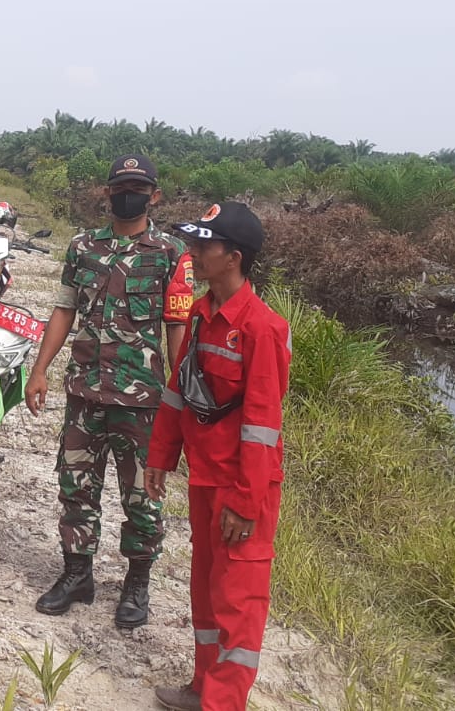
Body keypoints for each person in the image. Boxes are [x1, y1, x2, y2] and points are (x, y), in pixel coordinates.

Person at [23, 153, 194, 630]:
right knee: (76, 489)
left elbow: (177, 327)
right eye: (120, 185)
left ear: (154, 195)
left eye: (138, 186)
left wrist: (180, 401)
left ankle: (136, 585)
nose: (128, 193)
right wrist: (40, 371)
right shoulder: (83, 246)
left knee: (142, 497)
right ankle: (77, 575)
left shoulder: (171, 253)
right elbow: (63, 311)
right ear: (106, 192)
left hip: (142, 404)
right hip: (84, 395)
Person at [145, 202, 289, 711]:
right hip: (205, 479)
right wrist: (160, 457)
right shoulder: (202, 315)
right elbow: (177, 393)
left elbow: (261, 426)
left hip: (242, 486)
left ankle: (222, 704)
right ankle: (202, 688)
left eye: (203, 246)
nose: (194, 253)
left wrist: (247, 501)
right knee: (206, 593)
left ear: (233, 256)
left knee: (237, 603)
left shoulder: (262, 328)